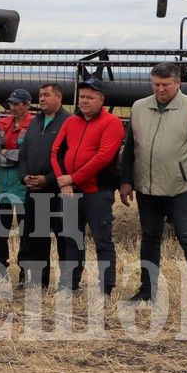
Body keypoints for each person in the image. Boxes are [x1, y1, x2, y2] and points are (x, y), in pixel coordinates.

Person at [120, 62, 187, 310]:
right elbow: (130, 148)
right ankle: (147, 291)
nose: (160, 89)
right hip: (147, 188)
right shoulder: (139, 107)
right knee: (150, 238)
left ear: (177, 83)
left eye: (165, 85)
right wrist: (127, 180)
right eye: (155, 84)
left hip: (180, 187)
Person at [50, 78, 124, 295]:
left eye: (90, 98)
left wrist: (72, 178)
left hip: (97, 192)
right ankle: (70, 284)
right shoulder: (71, 121)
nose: (84, 101)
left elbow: (103, 157)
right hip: (71, 191)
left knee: (103, 241)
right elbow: (56, 151)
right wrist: (63, 180)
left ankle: (106, 288)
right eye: (82, 97)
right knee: (72, 238)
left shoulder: (112, 123)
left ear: (101, 100)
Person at [17, 83, 72, 289]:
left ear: (59, 98)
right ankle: (40, 282)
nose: (42, 99)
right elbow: (23, 153)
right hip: (34, 190)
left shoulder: (69, 121)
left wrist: (47, 179)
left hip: (58, 191)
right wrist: (24, 177)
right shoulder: (34, 121)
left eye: (47, 95)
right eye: (40, 95)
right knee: (37, 237)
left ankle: (66, 283)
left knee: (63, 237)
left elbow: (68, 157)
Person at [0, 88, 34, 284]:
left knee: (26, 232)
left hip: (24, 187)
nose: (12, 107)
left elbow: (29, 155)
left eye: (17, 103)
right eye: (11, 103)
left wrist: (7, 153)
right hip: (3, 187)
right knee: (0, 232)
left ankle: (25, 272)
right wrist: (15, 156)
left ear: (27, 105)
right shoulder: (1, 124)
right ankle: (0, 270)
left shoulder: (34, 125)